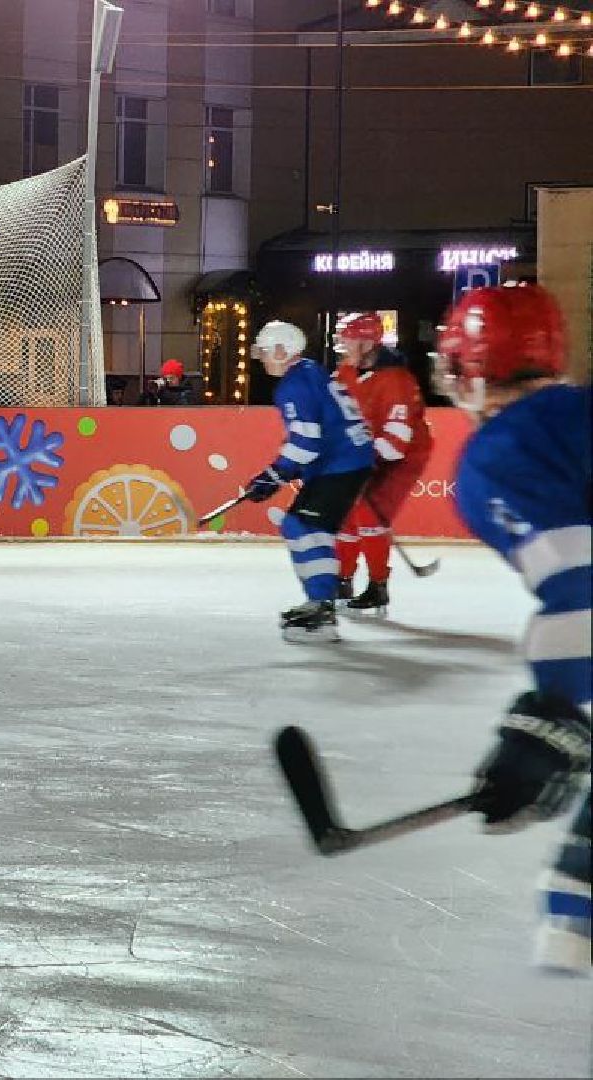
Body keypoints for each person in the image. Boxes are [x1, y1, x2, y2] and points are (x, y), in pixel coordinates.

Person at [435, 282, 589, 973]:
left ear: (467, 369)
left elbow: (581, 586)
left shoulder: (503, 449)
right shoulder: (573, 417)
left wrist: (552, 714)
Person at [241, 320, 376, 643]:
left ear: (281, 350)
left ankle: (321, 608)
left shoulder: (293, 385)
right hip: (348, 462)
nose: (262, 359)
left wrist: (274, 475)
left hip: (340, 465)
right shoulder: (312, 371)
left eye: (265, 351)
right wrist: (282, 472)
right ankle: (321, 600)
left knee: (303, 526)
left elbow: (306, 443)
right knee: (306, 527)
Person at [331, 312, 433, 617]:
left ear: (367, 344)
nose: (343, 345)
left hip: (403, 456)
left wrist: (364, 462)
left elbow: (397, 439)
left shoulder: (397, 380)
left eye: (349, 339)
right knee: (344, 512)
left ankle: (378, 586)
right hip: (366, 451)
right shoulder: (345, 372)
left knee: (368, 511)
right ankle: (342, 579)